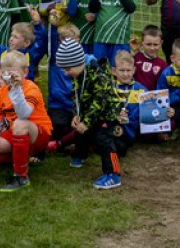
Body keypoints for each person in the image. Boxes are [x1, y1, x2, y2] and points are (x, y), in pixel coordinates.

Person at [49, 39, 125, 189]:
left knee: (103, 140)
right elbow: (76, 95)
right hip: (88, 112)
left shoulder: (98, 74)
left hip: (106, 114)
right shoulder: (77, 74)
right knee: (81, 133)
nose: (65, 72)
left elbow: (100, 101)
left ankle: (113, 174)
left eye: (67, 68)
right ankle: (80, 154)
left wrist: (87, 122)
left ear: (77, 62)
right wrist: (76, 115)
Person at [0, 51, 55, 191]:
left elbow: (23, 114)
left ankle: (21, 176)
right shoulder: (0, 93)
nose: (9, 76)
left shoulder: (31, 88)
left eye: (13, 72)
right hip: (16, 133)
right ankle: (24, 156)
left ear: (25, 72)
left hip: (39, 132)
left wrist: (16, 89)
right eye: (6, 73)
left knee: (20, 123)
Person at [133, 25, 166, 91]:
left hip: (152, 99)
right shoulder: (135, 58)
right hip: (134, 97)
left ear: (161, 43)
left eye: (155, 44)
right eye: (148, 44)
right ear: (142, 42)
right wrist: (134, 52)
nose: (152, 48)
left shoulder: (163, 65)